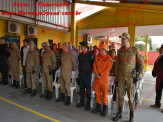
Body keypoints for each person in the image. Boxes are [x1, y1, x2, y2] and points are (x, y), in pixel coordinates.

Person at [112, 33, 144, 122]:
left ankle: (131, 115)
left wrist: (138, 76)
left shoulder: (134, 50)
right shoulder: (120, 51)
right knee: (120, 96)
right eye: (121, 39)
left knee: (131, 97)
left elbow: (141, 64)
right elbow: (117, 65)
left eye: (122, 39)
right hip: (121, 76)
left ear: (127, 39)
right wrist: (116, 78)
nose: (121, 41)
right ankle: (119, 114)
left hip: (131, 77)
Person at [92, 44, 113, 116]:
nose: (98, 50)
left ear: (104, 50)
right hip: (97, 79)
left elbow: (108, 69)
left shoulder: (109, 58)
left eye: (100, 49)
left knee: (104, 94)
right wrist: (96, 74)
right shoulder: (97, 57)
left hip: (104, 79)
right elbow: (94, 66)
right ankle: (98, 107)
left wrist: (100, 75)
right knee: (97, 93)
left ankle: (104, 109)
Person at [76, 41, 94, 111]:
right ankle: (82, 102)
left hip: (87, 75)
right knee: (81, 89)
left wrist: (91, 71)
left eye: (82, 46)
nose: (81, 47)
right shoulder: (80, 55)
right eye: (81, 46)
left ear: (85, 47)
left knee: (88, 90)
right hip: (81, 74)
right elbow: (79, 64)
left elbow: (93, 64)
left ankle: (88, 104)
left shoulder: (91, 55)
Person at [150, 44, 163, 113]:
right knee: (158, 90)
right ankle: (157, 103)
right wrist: (154, 73)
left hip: (162, 77)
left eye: (161, 48)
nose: (160, 49)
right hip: (159, 77)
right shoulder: (160, 56)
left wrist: (156, 73)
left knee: (159, 90)